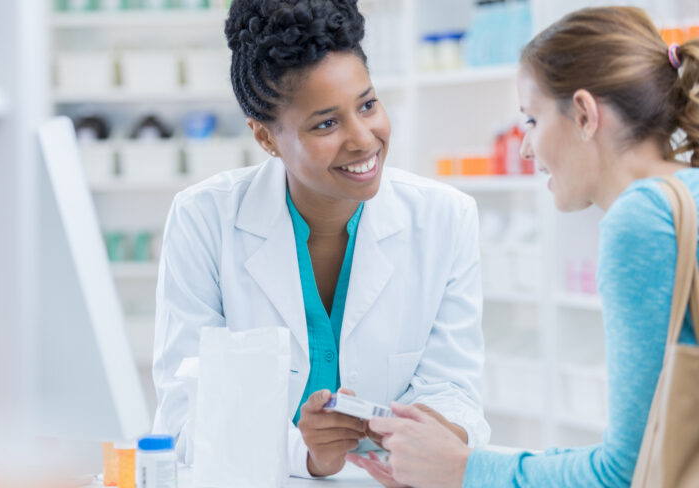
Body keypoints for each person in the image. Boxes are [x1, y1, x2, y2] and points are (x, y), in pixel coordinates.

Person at [348, 6, 699, 488]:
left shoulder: (643, 217)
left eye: (531, 120)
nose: (526, 149)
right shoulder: (688, 192)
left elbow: (626, 474)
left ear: (584, 114)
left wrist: (462, 470)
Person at [151, 0, 490, 479]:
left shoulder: (445, 218)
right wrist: (306, 454)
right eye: (326, 123)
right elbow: (185, 415)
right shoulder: (204, 220)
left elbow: (456, 390)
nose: (363, 139)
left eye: (368, 105)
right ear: (266, 138)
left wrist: (439, 430)